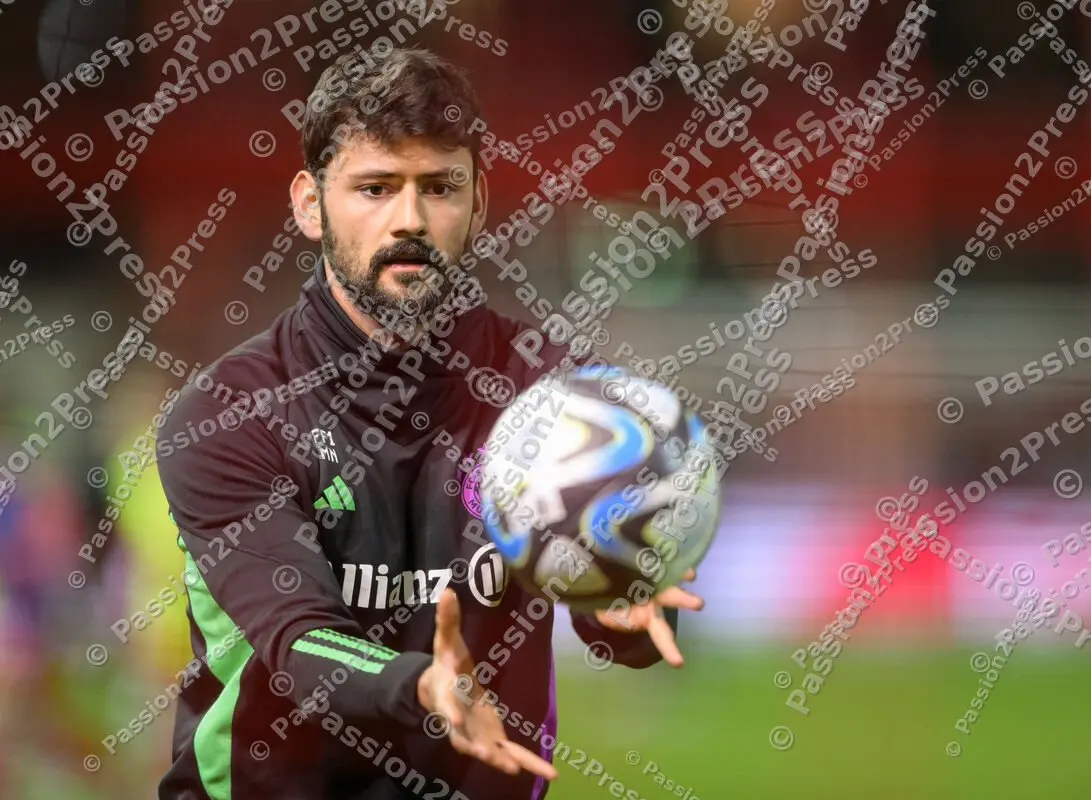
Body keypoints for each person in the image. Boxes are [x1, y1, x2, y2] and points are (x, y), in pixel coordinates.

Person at [157, 47, 704, 800]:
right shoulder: (229, 412)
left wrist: (623, 607)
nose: (408, 219)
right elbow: (298, 641)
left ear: (478, 200)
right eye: (374, 188)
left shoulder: (556, 397)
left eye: (438, 187)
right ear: (310, 205)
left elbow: (610, 622)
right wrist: (421, 686)